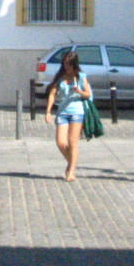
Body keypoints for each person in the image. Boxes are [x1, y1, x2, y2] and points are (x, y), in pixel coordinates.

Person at [44, 50, 92, 182]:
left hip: (77, 112)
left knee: (72, 142)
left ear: (74, 65)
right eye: (65, 64)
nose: (67, 67)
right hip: (62, 112)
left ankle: (71, 171)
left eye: (69, 64)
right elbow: (52, 94)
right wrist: (48, 111)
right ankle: (72, 162)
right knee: (60, 142)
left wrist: (80, 91)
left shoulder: (81, 77)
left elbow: (88, 94)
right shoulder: (60, 77)